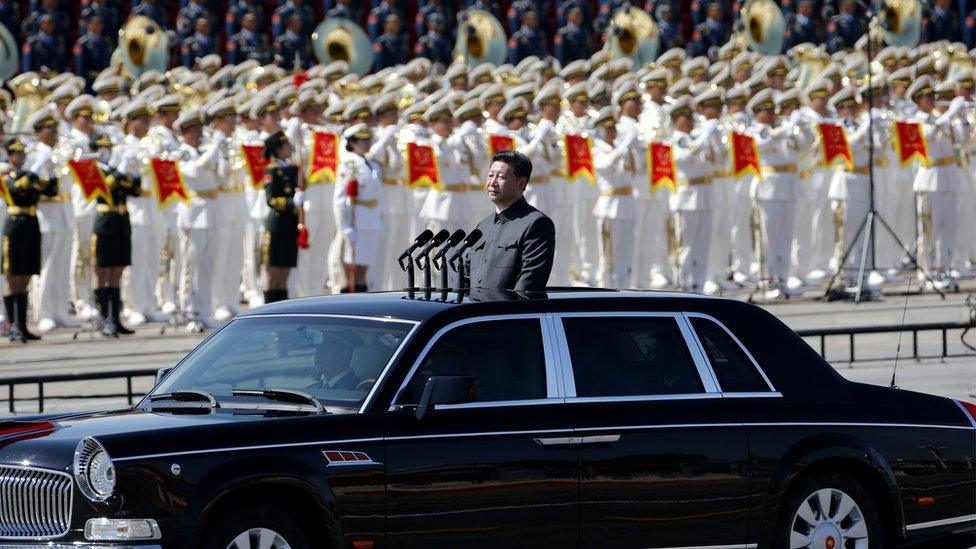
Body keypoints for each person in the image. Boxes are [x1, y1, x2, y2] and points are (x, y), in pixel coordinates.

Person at [465, 149, 556, 292]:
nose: (492, 182)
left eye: (501, 177)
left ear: (521, 183)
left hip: (508, 312)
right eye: (490, 175)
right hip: (477, 313)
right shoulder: (483, 226)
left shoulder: (536, 224)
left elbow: (529, 283)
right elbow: (467, 276)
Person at [2, 138, 57, 342]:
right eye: (17, 153)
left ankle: (22, 325)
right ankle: (12, 325)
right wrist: (35, 169)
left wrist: (50, 172)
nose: (21, 156)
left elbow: (49, 190)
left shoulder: (29, 173)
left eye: (22, 153)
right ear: (9, 154)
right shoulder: (5, 171)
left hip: (31, 224)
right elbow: (15, 189)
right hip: (14, 225)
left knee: (25, 276)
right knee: (12, 276)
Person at [90, 133, 140, 336]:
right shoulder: (93, 170)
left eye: (109, 147)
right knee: (103, 272)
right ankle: (104, 318)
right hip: (105, 222)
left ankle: (116, 317)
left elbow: (134, 191)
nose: (106, 151)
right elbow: (104, 188)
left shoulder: (115, 169)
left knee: (117, 271)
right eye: (102, 148)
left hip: (121, 222)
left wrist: (134, 174)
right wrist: (120, 171)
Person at [331, 124, 383, 293]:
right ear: (352, 143)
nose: (367, 143)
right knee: (351, 271)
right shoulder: (348, 164)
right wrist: (345, 226)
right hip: (356, 221)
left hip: (371, 221)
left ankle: (363, 304)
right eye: (363, 140)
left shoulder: (372, 164)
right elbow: (340, 199)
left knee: (364, 269)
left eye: (368, 140)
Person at [262, 130, 300, 303]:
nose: (291, 148)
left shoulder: (292, 169)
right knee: (273, 272)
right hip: (277, 225)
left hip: (290, 225)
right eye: (287, 145)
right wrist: (292, 202)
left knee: (285, 271)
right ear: (278, 149)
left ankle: (281, 307)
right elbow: (271, 200)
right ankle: (269, 309)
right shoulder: (272, 170)